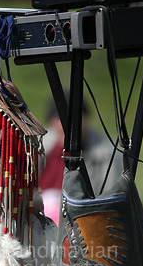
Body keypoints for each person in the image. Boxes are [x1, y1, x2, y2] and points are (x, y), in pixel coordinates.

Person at [39, 94, 123, 223]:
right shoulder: (42, 146)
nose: (69, 126)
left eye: (77, 119)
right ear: (52, 122)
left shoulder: (105, 154)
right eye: (62, 119)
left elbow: (112, 200)